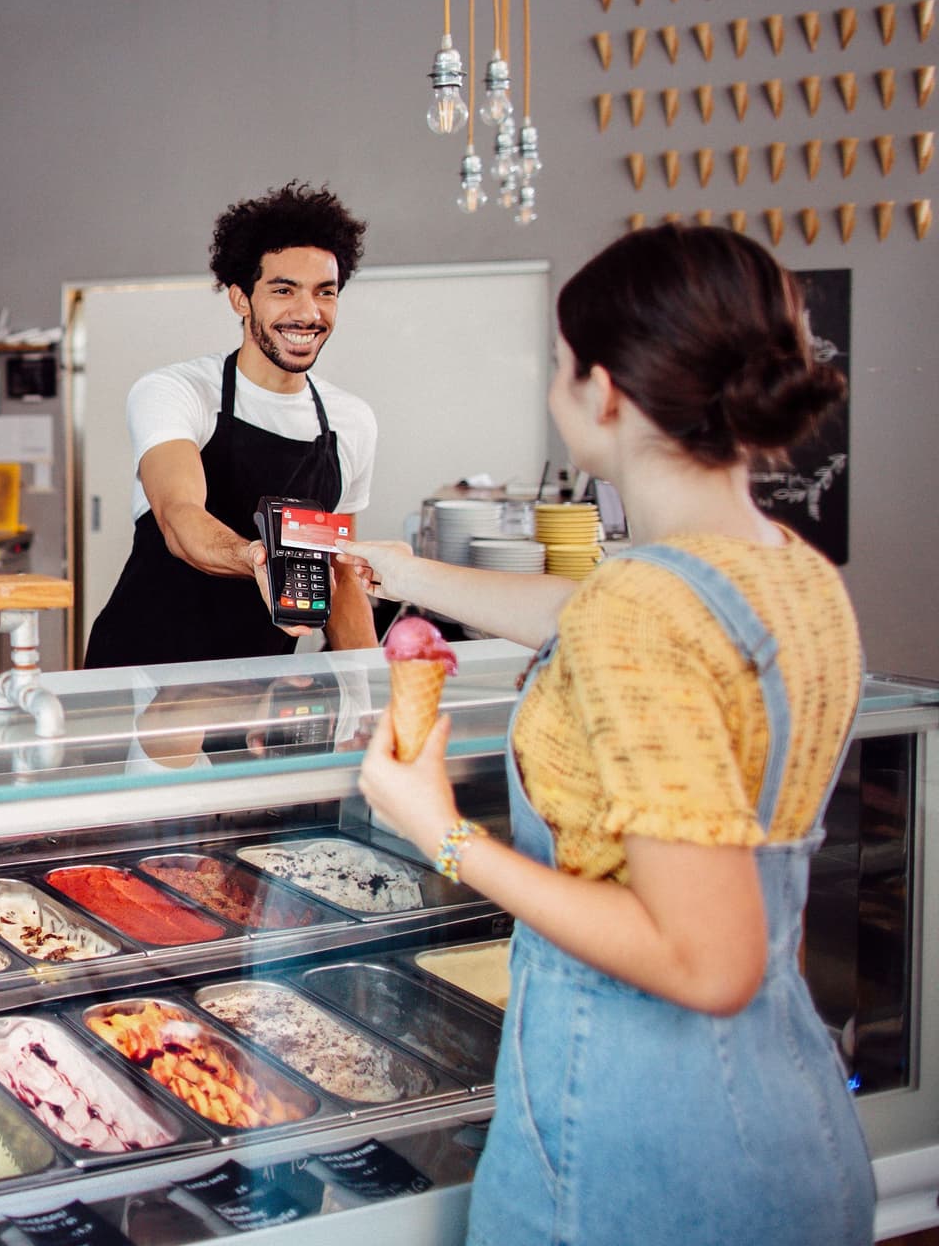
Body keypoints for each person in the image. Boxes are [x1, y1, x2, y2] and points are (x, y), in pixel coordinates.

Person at [341, 224, 872, 1245]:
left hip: (635, 1156)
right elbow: (595, 615)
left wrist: (443, 832)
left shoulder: (638, 614)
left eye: (557, 364)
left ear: (609, 391)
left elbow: (707, 960)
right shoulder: (792, 573)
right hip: (794, 1127)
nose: (552, 388)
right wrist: (400, 572)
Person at [83, 182, 378, 669]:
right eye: (284, 290)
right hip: (146, 676)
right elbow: (179, 518)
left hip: (262, 688)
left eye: (325, 292)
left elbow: (340, 576)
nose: (308, 313)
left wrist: (375, 690)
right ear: (241, 299)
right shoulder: (177, 391)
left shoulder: (351, 422)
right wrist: (256, 560)